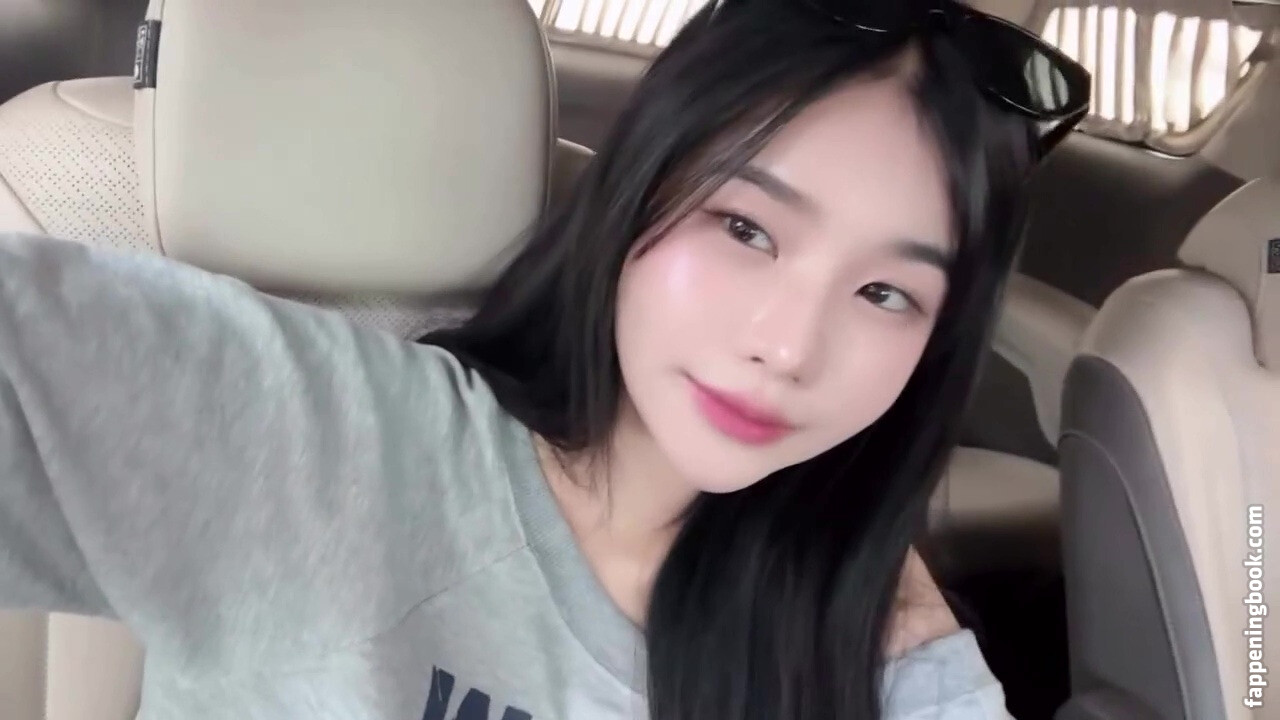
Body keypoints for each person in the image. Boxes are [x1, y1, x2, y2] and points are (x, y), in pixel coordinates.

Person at [0, 0, 1088, 718]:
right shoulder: (331, 446)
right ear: (639, 190)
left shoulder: (877, 643)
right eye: (746, 229)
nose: (789, 347)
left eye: (886, 293)